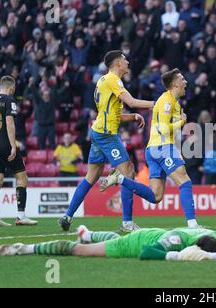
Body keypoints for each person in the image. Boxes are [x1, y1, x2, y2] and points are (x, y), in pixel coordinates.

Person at [58, 50, 155, 232]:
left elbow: (112, 114)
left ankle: (67, 216)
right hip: (106, 135)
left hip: (98, 131)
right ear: (117, 63)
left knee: (91, 177)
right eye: (125, 59)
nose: (128, 62)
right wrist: (155, 104)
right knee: (128, 172)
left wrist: (132, 116)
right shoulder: (113, 80)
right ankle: (127, 223)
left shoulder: (103, 80)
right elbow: (132, 101)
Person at [101, 68, 200, 229]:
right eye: (182, 79)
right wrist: (181, 122)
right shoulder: (167, 102)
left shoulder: (173, 102)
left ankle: (120, 179)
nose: (185, 82)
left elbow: (171, 132)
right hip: (161, 148)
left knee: (156, 196)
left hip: (154, 149)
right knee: (185, 182)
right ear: (174, 84)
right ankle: (193, 225)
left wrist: (178, 151)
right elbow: (163, 129)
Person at [0, 224, 216, 261]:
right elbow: (147, 253)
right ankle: (24, 248)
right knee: (79, 251)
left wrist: (214, 256)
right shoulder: (177, 239)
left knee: (115, 236)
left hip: (150, 231)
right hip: (136, 242)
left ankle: (89, 233)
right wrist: (179, 256)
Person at [0, 76, 37, 227]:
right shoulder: (9, 100)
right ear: (11, 88)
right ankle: (20, 216)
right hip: (5, 144)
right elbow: (9, 122)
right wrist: (13, 145)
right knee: (22, 178)